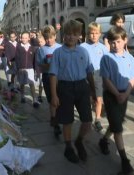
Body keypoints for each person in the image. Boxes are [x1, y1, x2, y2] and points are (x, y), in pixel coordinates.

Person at [49, 20, 96, 163]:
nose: (70, 37)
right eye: (68, 34)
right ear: (63, 35)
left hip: (82, 87)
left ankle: (79, 141)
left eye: (74, 34)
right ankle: (68, 147)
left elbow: (89, 73)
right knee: (67, 121)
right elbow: (53, 75)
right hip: (65, 88)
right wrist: (54, 95)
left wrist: (94, 92)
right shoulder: (58, 53)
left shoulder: (83, 51)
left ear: (79, 36)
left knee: (87, 120)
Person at [98, 26, 134, 174]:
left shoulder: (130, 58)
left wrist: (126, 94)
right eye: (112, 42)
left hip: (124, 95)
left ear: (125, 40)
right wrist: (117, 94)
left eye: (119, 41)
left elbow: (132, 78)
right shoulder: (106, 58)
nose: (116, 45)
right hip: (111, 96)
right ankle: (125, 160)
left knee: (116, 123)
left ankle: (103, 140)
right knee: (118, 129)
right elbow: (106, 79)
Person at [81, 22, 109, 132]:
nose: (94, 35)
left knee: (98, 98)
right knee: (87, 97)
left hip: (98, 74)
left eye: (96, 33)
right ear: (88, 34)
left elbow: (107, 63)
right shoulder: (82, 47)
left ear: (100, 34)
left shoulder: (103, 48)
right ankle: (87, 117)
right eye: (91, 33)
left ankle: (97, 119)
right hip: (85, 75)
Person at [36, 25, 62, 137]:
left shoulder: (61, 48)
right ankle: (54, 121)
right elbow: (40, 65)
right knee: (52, 100)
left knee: (61, 99)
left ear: (55, 36)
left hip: (60, 78)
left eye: (51, 37)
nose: (49, 40)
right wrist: (50, 65)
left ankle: (59, 117)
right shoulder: (41, 50)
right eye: (46, 38)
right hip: (47, 77)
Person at [15, 31, 39, 108]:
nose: (24, 39)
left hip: (30, 68)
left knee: (31, 84)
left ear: (29, 38)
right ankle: (22, 96)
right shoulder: (18, 47)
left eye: (26, 38)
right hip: (21, 69)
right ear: (21, 38)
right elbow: (17, 58)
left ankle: (34, 99)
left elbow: (34, 60)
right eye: (23, 38)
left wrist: (36, 70)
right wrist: (19, 68)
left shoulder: (32, 48)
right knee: (22, 84)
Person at [35, 33, 46, 102]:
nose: (40, 43)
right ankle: (39, 95)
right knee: (41, 83)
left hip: (48, 70)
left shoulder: (47, 49)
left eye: (41, 41)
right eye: (38, 42)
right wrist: (36, 70)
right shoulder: (37, 49)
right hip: (41, 70)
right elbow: (36, 61)